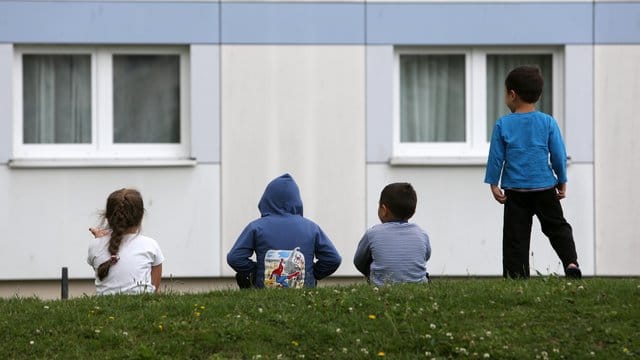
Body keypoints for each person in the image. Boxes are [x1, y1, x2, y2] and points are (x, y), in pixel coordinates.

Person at [485, 65, 581, 279]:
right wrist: (562, 180)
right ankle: (571, 263)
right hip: (545, 188)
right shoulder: (547, 122)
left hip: (516, 192)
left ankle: (516, 277)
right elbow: (558, 154)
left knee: (515, 238)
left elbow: (496, 158)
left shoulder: (503, 125)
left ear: (512, 94)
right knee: (557, 227)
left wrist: (493, 183)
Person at [227, 173, 342, 288]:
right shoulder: (311, 228)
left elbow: (235, 258)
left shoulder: (256, 227)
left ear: (266, 198)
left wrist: (257, 272)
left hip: (264, 289)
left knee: (241, 276)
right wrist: (311, 274)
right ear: (297, 200)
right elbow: (333, 259)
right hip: (304, 289)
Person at [87, 188, 165, 295]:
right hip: (142, 308)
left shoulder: (95, 246)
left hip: (105, 309)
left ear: (107, 217)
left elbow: (101, 271)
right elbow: (154, 289)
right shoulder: (151, 245)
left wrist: (100, 242)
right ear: (141, 215)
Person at [353, 183, 431, 286]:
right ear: (413, 211)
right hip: (418, 287)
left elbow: (359, 261)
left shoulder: (372, 233)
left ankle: (378, 281)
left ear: (384, 210)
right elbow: (426, 256)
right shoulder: (421, 234)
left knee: (370, 257)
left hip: (382, 287)